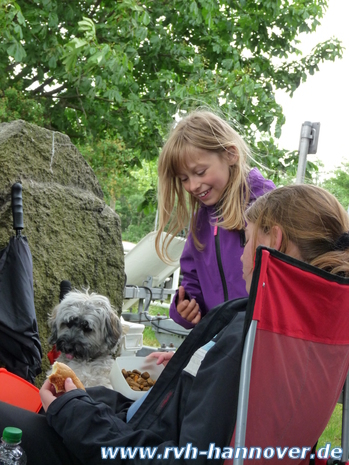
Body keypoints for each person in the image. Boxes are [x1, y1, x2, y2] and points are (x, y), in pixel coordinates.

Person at [0, 185, 349, 465]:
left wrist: (73, 409)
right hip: (130, 425)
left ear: (273, 240)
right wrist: (181, 373)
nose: (242, 254)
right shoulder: (310, 337)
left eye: (246, 239)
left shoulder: (247, 339)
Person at [155, 109, 275, 329]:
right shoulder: (200, 221)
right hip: (219, 342)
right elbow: (191, 283)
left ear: (230, 154)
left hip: (261, 340)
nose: (192, 186)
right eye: (184, 179)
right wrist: (185, 308)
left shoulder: (269, 207)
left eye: (200, 172)